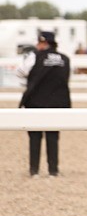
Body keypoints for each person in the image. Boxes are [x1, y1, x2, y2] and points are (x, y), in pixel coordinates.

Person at [18, 30, 71, 177]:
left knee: (35, 137)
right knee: (53, 136)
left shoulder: (34, 56)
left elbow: (20, 72)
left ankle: (34, 170)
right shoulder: (65, 59)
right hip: (57, 103)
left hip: (36, 102)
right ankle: (53, 170)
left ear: (44, 43)